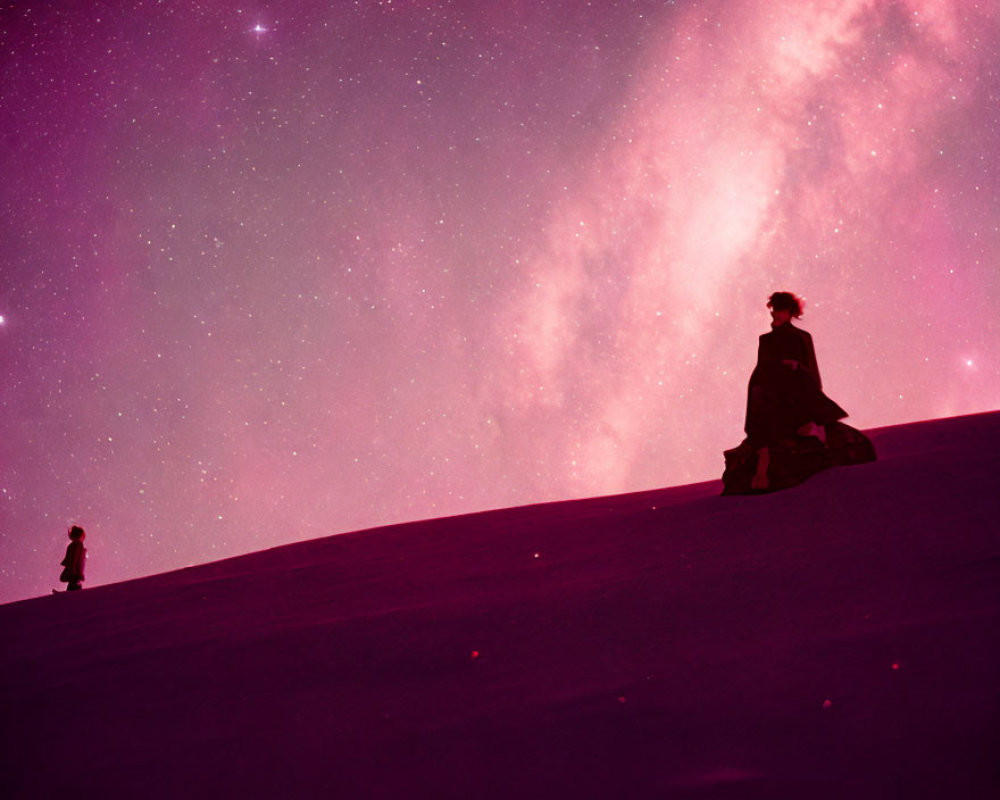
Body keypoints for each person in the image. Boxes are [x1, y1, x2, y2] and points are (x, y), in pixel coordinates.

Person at [744, 292, 847, 489]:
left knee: (795, 417)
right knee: (762, 413)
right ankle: (761, 469)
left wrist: (797, 369)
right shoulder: (765, 339)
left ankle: (815, 430)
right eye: (774, 310)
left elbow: (811, 369)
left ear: (790, 312)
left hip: (795, 387)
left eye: (780, 310)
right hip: (769, 387)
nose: (776, 314)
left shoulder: (801, 337)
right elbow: (761, 368)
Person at [60, 525, 87, 591]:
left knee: (73, 583)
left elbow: (76, 559)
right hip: (74, 571)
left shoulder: (75, 545)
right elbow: (77, 559)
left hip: (74, 571)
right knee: (74, 583)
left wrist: (75, 572)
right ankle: (71, 592)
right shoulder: (75, 545)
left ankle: (71, 593)